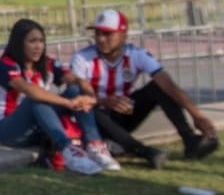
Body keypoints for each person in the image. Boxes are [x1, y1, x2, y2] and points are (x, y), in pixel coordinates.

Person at [70, 9, 218, 165]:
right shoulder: (82, 58)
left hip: (124, 112)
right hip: (96, 117)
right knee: (87, 107)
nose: (100, 39)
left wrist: (196, 114)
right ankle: (143, 151)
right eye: (97, 33)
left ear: (123, 35)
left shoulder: (136, 54)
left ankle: (189, 139)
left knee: (158, 87)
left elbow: (168, 84)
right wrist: (103, 101)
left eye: (107, 34)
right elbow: (75, 95)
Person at [0, 18, 109, 175]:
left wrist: (89, 96)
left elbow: (75, 80)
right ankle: (68, 150)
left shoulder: (47, 63)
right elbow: (30, 90)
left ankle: (94, 144)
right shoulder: (5, 65)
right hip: (9, 130)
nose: (39, 46)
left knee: (75, 90)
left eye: (41, 41)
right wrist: (67, 103)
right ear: (19, 43)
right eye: (32, 41)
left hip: (36, 126)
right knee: (36, 99)